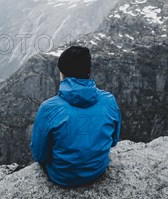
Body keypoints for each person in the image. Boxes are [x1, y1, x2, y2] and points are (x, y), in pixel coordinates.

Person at [30, 45, 122, 187]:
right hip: (98, 170)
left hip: (62, 177)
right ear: (87, 72)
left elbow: (39, 154)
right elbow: (114, 141)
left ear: (63, 73)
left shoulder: (49, 108)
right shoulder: (109, 100)